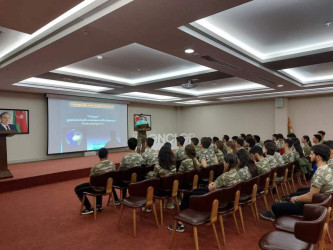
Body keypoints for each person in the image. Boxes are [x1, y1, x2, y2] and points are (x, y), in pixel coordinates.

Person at [260, 144, 333, 221]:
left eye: (312, 154)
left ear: (318, 157)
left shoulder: (319, 173)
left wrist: (296, 198)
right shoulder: (327, 168)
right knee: (294, 195)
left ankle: (276, 214)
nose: (309, 156)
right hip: (324, 201)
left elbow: (311, 197)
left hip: (315, 207)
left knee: (276, 206)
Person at [74, 148, 116, 214]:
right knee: (101, 181)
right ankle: (98, 205)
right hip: (109, 187)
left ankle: (88, 208)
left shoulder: (95, 168)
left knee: (77, 189)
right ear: (107, 155)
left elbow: (92, 181)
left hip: (98, 189)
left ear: (98, 156)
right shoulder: (112, 164)